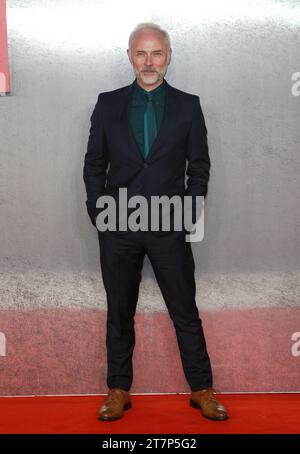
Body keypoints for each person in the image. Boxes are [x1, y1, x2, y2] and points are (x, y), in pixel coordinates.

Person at [83, 22, 229, 422]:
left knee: (184, 310)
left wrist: (187, 210)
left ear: (168, 56)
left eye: (157, 53)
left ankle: (202, 389)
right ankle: (118, 390)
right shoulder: (107, 103)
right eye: (141, 53)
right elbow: (95, 163)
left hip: (168, 225)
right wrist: (98, 210)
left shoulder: (188, 105)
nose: (149, 62)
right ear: (130, 56)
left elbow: (199, 167)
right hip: (118, 225)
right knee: (119, 311)